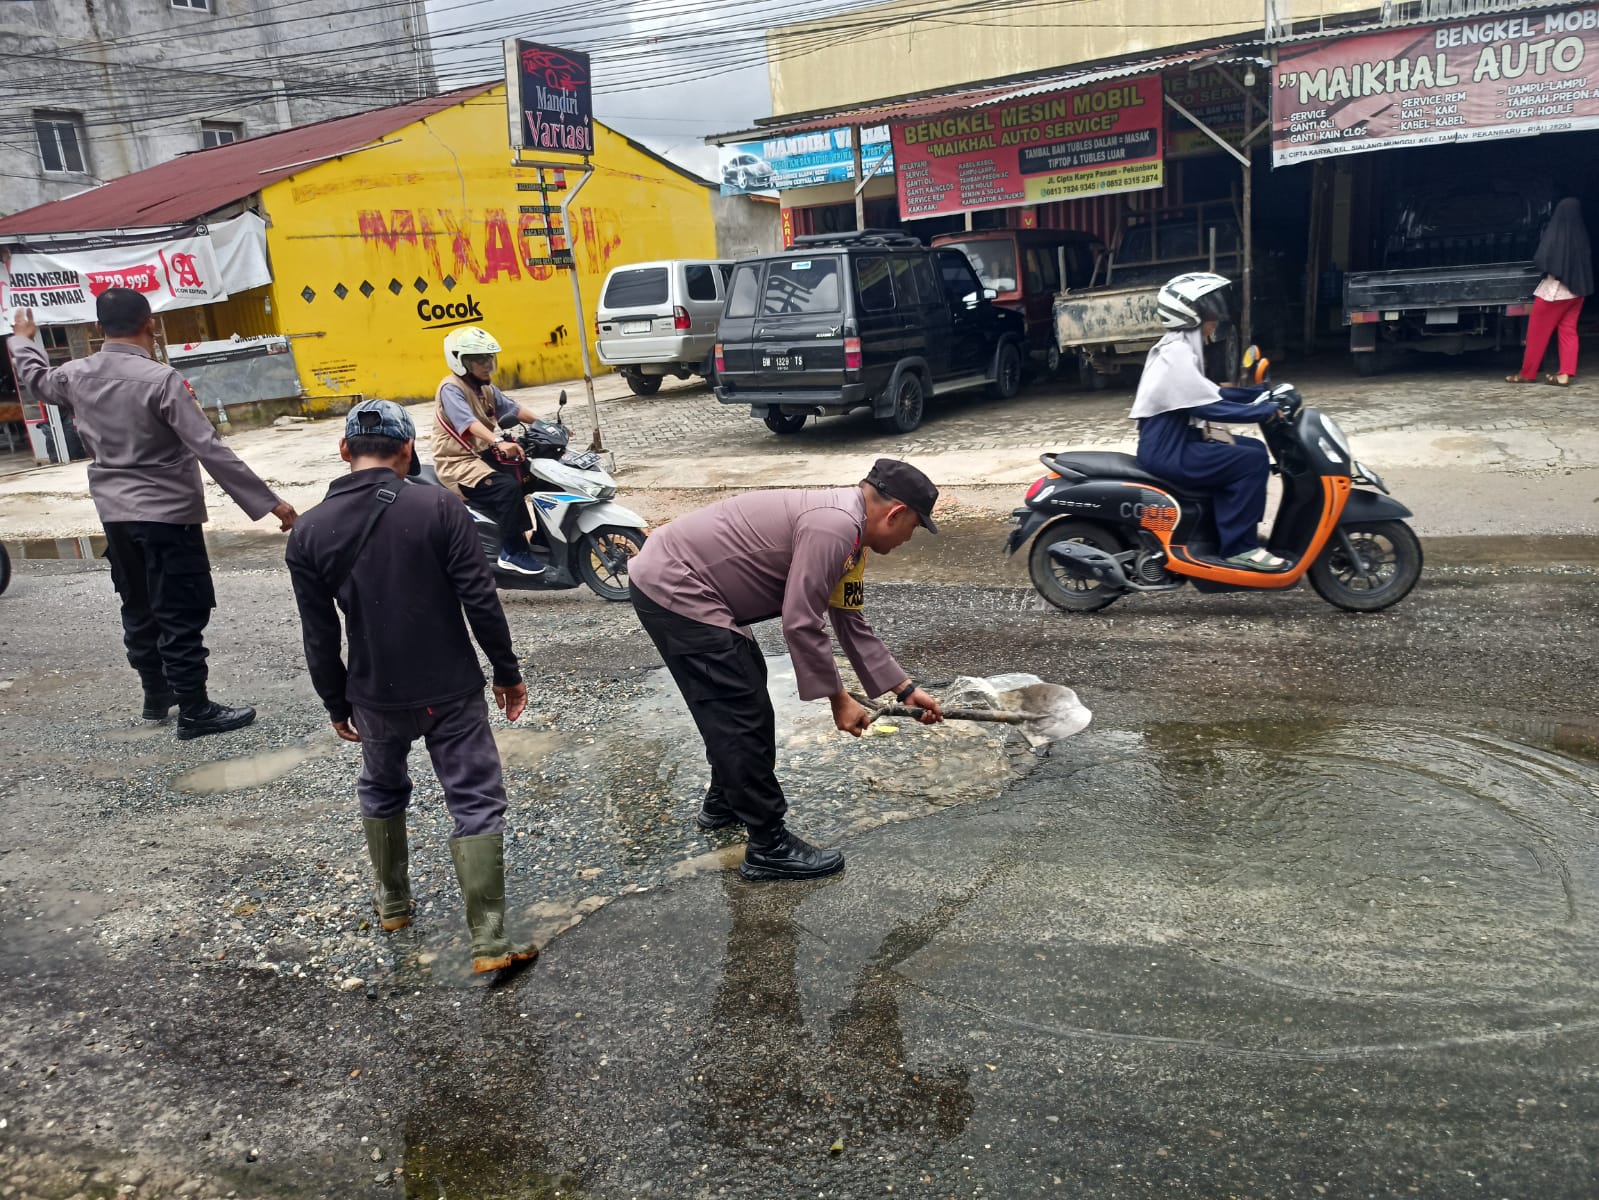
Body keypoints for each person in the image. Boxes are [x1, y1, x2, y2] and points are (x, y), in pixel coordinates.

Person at [284, 400, 537, 974]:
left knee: (381, 786)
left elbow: (319, 634)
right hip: (449, 686)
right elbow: (480, 599)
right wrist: (506, 671)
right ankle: (490, 942)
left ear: (345, 450)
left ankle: (394, 904)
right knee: (473, 797)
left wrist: (334, 699)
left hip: (373, 692)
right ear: (408, 451)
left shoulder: (309, 532)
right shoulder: (440, 507)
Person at [629, 459, 946, 883]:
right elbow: (801, 619)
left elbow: (850, 620)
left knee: (740, 694)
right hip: (677, 585)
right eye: (915, 527)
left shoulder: (851, 540)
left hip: (688, 584)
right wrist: (838, 698)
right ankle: (768, 845)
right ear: (896, 513)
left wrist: (904, 689)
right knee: (741, 710)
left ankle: (726, 801)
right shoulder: (834, 527)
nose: (910, 538)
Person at [6, 293, 297, 738]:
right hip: (167, 514)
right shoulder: (161, 380)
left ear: (98, 329)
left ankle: (157, 695)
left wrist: (23, 340)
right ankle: (196, 710)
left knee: (139, 604)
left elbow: (35, 378)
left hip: (115, 515)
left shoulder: (75, 375)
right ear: (152, 324)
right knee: (180, 608)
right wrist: (267, 502)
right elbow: (208, 446)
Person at [1130, 272, 1288, 572]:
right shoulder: (1175, 354)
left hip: (1176, 441)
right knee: (1249, 462)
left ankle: (1233, 532)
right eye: (1209, 309)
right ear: (1188, 314)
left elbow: (1211, 392)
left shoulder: (1179, 348)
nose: (1216, 316)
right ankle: (1239, 548)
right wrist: (1261, 410)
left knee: (1253, 449)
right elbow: (1210, 407)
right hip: (1169, 451)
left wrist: (1259, 393)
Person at [429, 326, 546, 576]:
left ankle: (543, 539)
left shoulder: (485, 388)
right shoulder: (450, 388)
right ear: (460, 362)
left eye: (488, 358)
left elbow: (512, 409)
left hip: (483, 456)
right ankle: (513, 552)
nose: (486, 365)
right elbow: (467, 424)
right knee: (507, 488)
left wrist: (545, 424)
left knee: (538, 475)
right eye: (478, 360)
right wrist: (498, 442)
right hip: (458, 462)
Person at [1507, 197, 1592, 387]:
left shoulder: (1557, 233)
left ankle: (1527, 374)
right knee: (1568, 332)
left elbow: (1543, 259)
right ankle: (1565, 374)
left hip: (1554, 293)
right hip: (1577, 293)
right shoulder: (1582, 234)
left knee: (1536, 335)